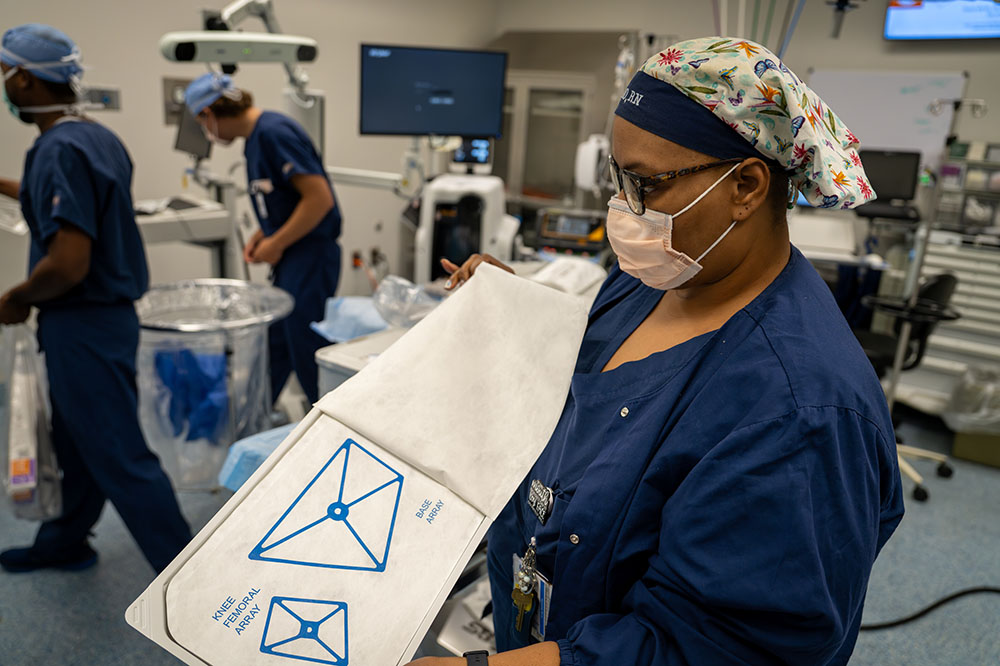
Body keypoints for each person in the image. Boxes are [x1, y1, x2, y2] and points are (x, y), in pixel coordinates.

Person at [409, 37, 903, 666]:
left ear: (746, 187)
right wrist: (515, 310)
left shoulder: (799, 413)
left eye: (645, 184)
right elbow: (591, 378)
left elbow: (704, 649)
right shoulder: (658, 279)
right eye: (619, 179)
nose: (623, 209)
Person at [0, 24, 191, 574]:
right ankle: (64, 541)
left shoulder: (61, 148)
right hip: (98, 322)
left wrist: (17, 297)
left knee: (118, 452)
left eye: (7, 74)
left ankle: (188, 579)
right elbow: (56, 190)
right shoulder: (89, 137)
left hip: (81, 321)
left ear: (29, 80)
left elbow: (67, 264)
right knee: (76, 440)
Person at [184, 73, 342, 406]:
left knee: (304, 349)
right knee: (276, 347)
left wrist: (278, 242)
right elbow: (285, 202)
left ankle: (328, 430)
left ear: (210, 113)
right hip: (293, 260)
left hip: (310, 258)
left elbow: (319, 199)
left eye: (202, 122)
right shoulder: (255, 139)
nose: (206, 133)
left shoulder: (273, 132)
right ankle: (251, 426)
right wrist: (264, 235)